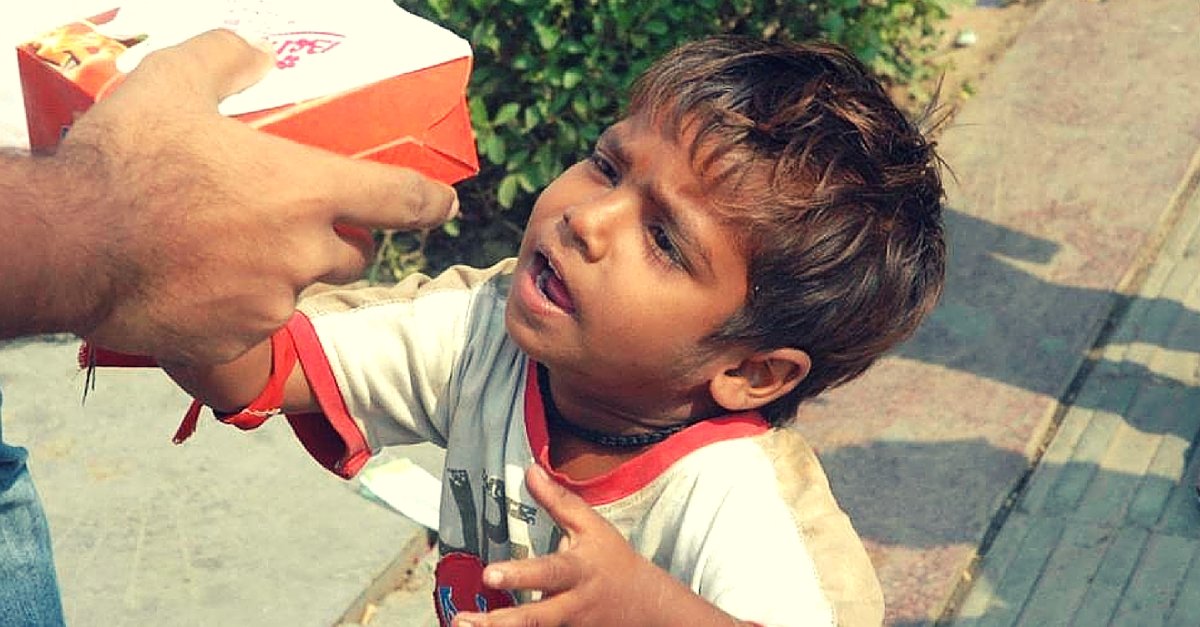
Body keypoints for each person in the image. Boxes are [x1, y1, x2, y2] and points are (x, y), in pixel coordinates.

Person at [161, 36, 946, 626]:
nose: (587, 218)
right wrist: (165, 264)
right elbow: (251, 365)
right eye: (607, 165)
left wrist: (648, 608)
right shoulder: (486, 337)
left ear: (753, 372)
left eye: (666, 240)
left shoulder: (741, 503)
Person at [0, 30, 458, 626]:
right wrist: (132, 251)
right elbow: (260, 373)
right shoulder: (474, 332)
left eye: (630, 225)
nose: (589, 221)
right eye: (602, 167)